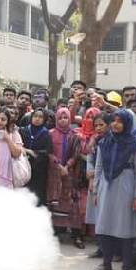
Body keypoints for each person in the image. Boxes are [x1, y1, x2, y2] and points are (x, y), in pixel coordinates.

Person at [92, 111, 136, 270]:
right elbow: (98, 167)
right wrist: (96, 190)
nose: (115, 124)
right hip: (106, 186)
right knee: (104, 223)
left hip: (125, 185)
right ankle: (106, 262)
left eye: (120, 121)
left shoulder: (134, 144)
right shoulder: (104, 142)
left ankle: (127, 265)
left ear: (127, 124)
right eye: (113, 121)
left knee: (125, 225)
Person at [47, 107, 85, 247]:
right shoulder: (50, 134)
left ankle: (76, 235)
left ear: (70, 119)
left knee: (72, 203)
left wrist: (67, 166)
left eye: (66, 118)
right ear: (56, 119)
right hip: (54, 174)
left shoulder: (75, 135)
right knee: (55, 202)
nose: (63, 120)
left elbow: (76, 154)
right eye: (60, 118)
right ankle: (56, 233)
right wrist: (58, 165)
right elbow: (49, 152)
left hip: (70, 174)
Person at [82, 109, 107, 258]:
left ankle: (111, 249)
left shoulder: (111, 140)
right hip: (94, 181)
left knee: (106, 215)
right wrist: (90, 174)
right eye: (96, 125)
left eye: (101, 125)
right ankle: (100, 247)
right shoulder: (94, 140)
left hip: (106, 180)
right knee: (97, 215)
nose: (98, 128)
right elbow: (90, 159)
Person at [22, 108, 52, 207]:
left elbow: (48, 150)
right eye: (35, 116)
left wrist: (34, 153)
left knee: (37, 193)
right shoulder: (24, 130)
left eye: (40, 117)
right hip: (24, 166)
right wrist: (26, 151)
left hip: (39, 169)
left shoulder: (46, 133)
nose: (37, 119)